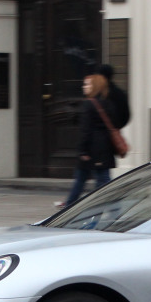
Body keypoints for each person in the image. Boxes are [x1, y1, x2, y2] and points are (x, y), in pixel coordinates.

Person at [58, 64, 124, 208]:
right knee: (90, 179)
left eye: (87, 84)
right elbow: (116, 124)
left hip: (92, 151)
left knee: (96, 181)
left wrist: (82, 150)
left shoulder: (89, 105)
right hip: (105, 149)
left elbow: (85, 130)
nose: (84, 86)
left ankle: (112, 209)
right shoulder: (108, 104)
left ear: (95, 86)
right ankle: (71, 206)